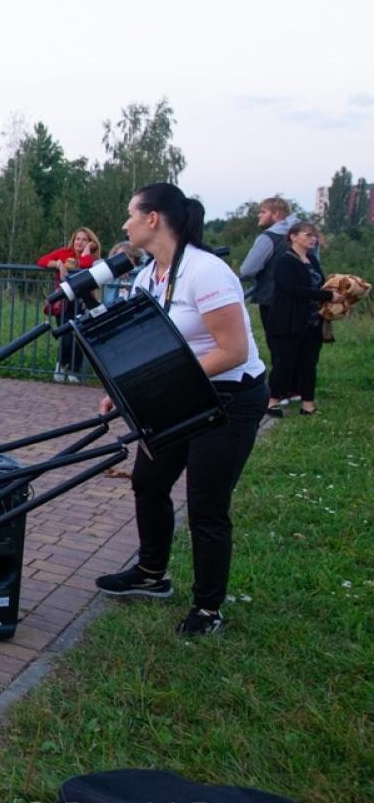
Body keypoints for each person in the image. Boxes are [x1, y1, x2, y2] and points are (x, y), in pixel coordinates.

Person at [93, 182, 267, 638]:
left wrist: (161, 382)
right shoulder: (150, 274)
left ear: (154, 220)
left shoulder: (206, 273)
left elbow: (232, 350)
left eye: (131, 214)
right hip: (184, 391)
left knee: (206, 504)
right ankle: (152, 573)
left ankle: (209, 609)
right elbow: (150, 344)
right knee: (149, 482)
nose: (125, 223)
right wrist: (125, 387)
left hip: (231, 397)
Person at [263, 221, 337, 417]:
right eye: (307, 235)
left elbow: (319, 284)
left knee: (308, 362)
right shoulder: (285, 261)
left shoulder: (312, 259)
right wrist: (327, 297)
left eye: (314, 235)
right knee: (285, 362)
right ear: (293, 237)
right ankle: (272, 401)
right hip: (288, 321)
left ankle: (308, 403)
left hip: (312, 320)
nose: (312, 239)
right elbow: (292, 289)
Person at [37, 227, 102, 383]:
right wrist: (57, 263)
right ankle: (60, 365)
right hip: (64, 301)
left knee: (79, 336)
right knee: (65, 335)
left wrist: (86, 251)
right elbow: (41, 261)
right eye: (78, 239)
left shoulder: (93, 258)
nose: (79, 242)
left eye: (84, 240)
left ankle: (74, 371)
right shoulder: (64, 253)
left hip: (83, 301)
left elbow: (85, 265)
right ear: (73, 240)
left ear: (91, 243)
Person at [239, 196, 314, 310]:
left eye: (263, 212)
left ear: (276, 214)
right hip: (304, 299)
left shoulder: (268, 237)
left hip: (273, 300)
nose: (259, 215)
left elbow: (247, 270)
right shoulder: (308, 236)